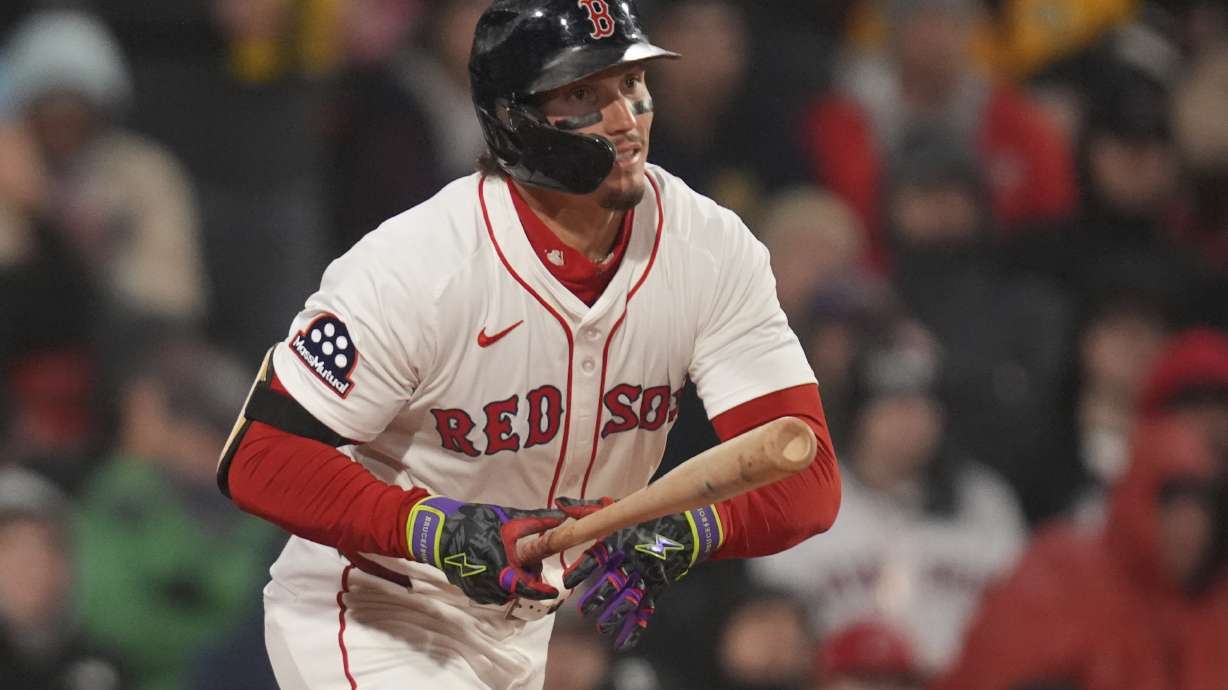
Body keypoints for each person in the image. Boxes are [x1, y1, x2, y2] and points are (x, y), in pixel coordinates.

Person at [217, 2, 842, 688]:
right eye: (584, 94)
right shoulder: (418, 264)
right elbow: (258, 456)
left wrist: (686, 531)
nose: (625, 118)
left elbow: (806, 476)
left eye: (632, 84)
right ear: (512, 119)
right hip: (375, 605)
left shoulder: (710, 251)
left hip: (528, 630)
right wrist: (436, 530)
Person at [931, 414, 1228, 690]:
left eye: (1204, 511)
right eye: (1172, 507)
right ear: (1139, 500)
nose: (1189, 528)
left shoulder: (1213, 612)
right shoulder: (1063, 573)